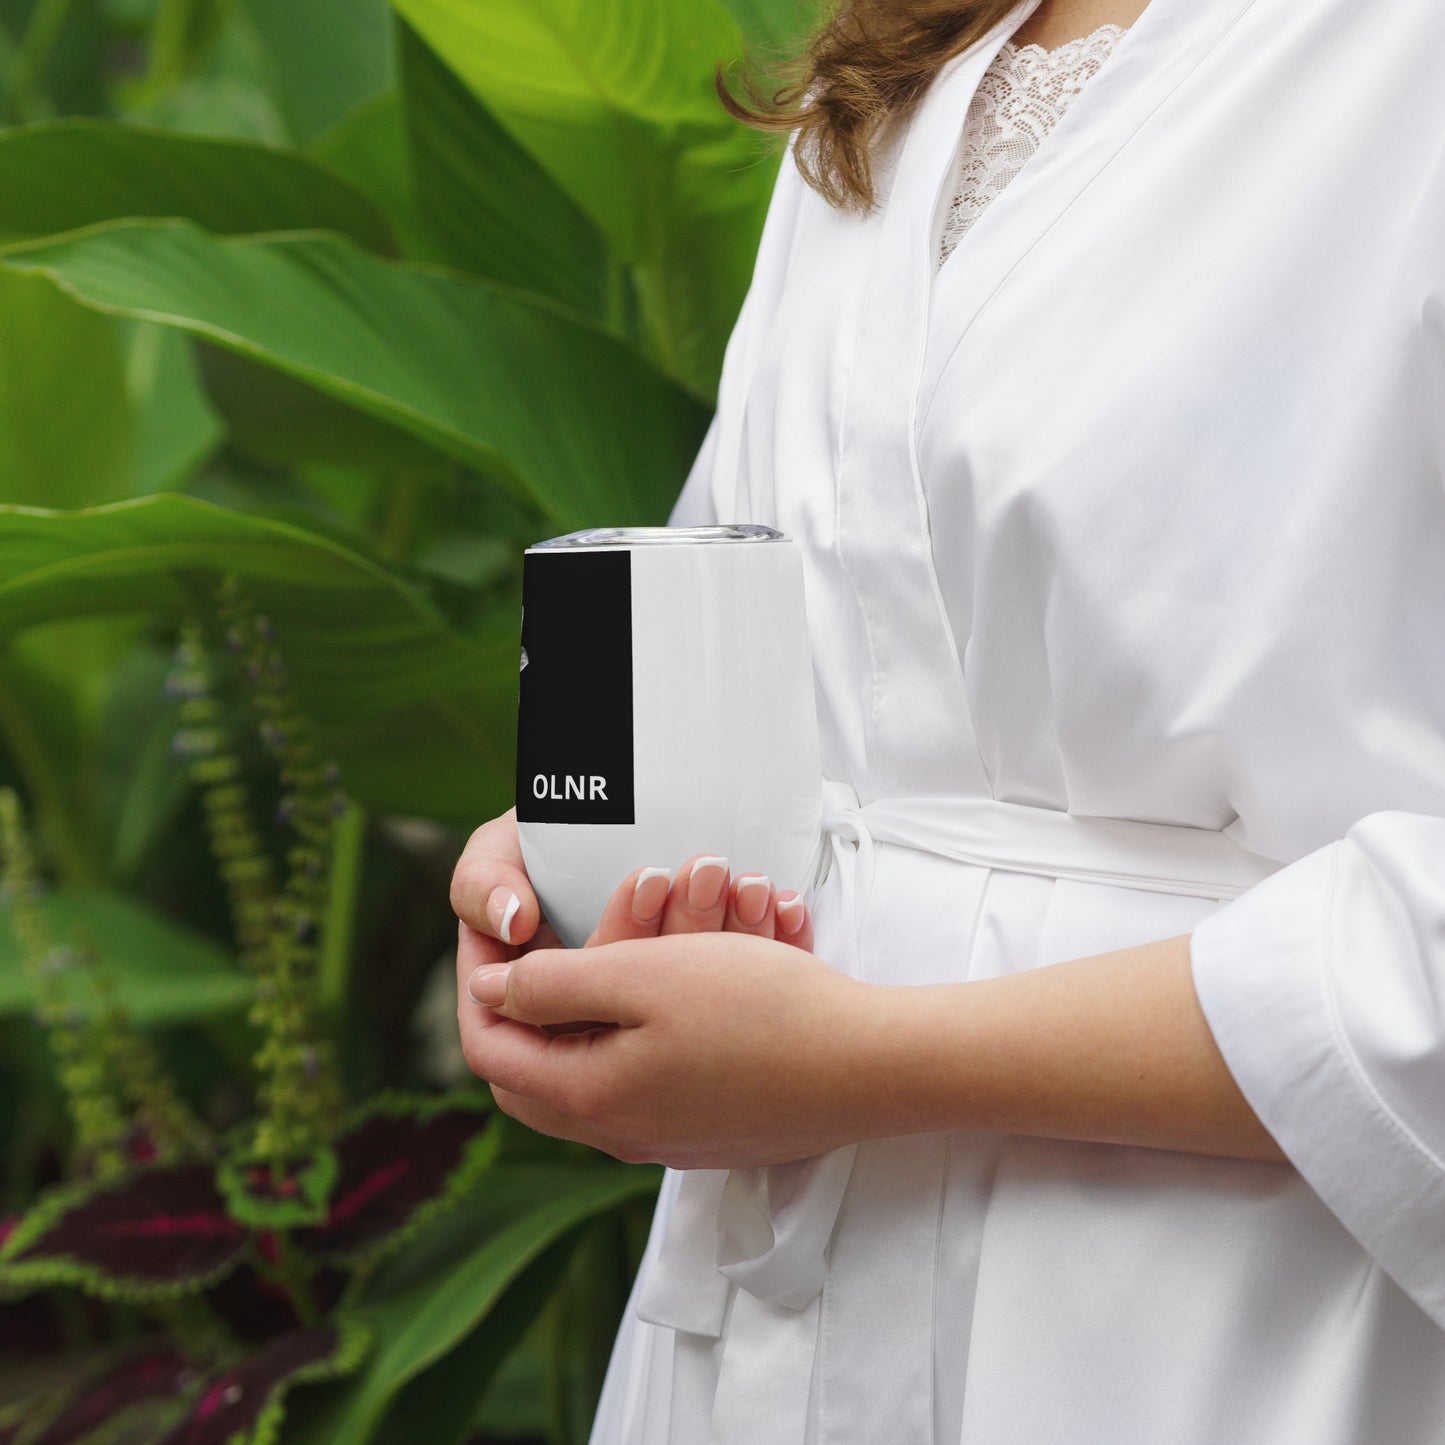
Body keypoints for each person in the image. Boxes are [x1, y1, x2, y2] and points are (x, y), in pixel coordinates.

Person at [451, 0, 1445, 1438]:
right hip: (778, 1311)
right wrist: (576, 863)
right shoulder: (902, 57)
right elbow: (790, 629)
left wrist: (863, 1058)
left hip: (1233, 1316)